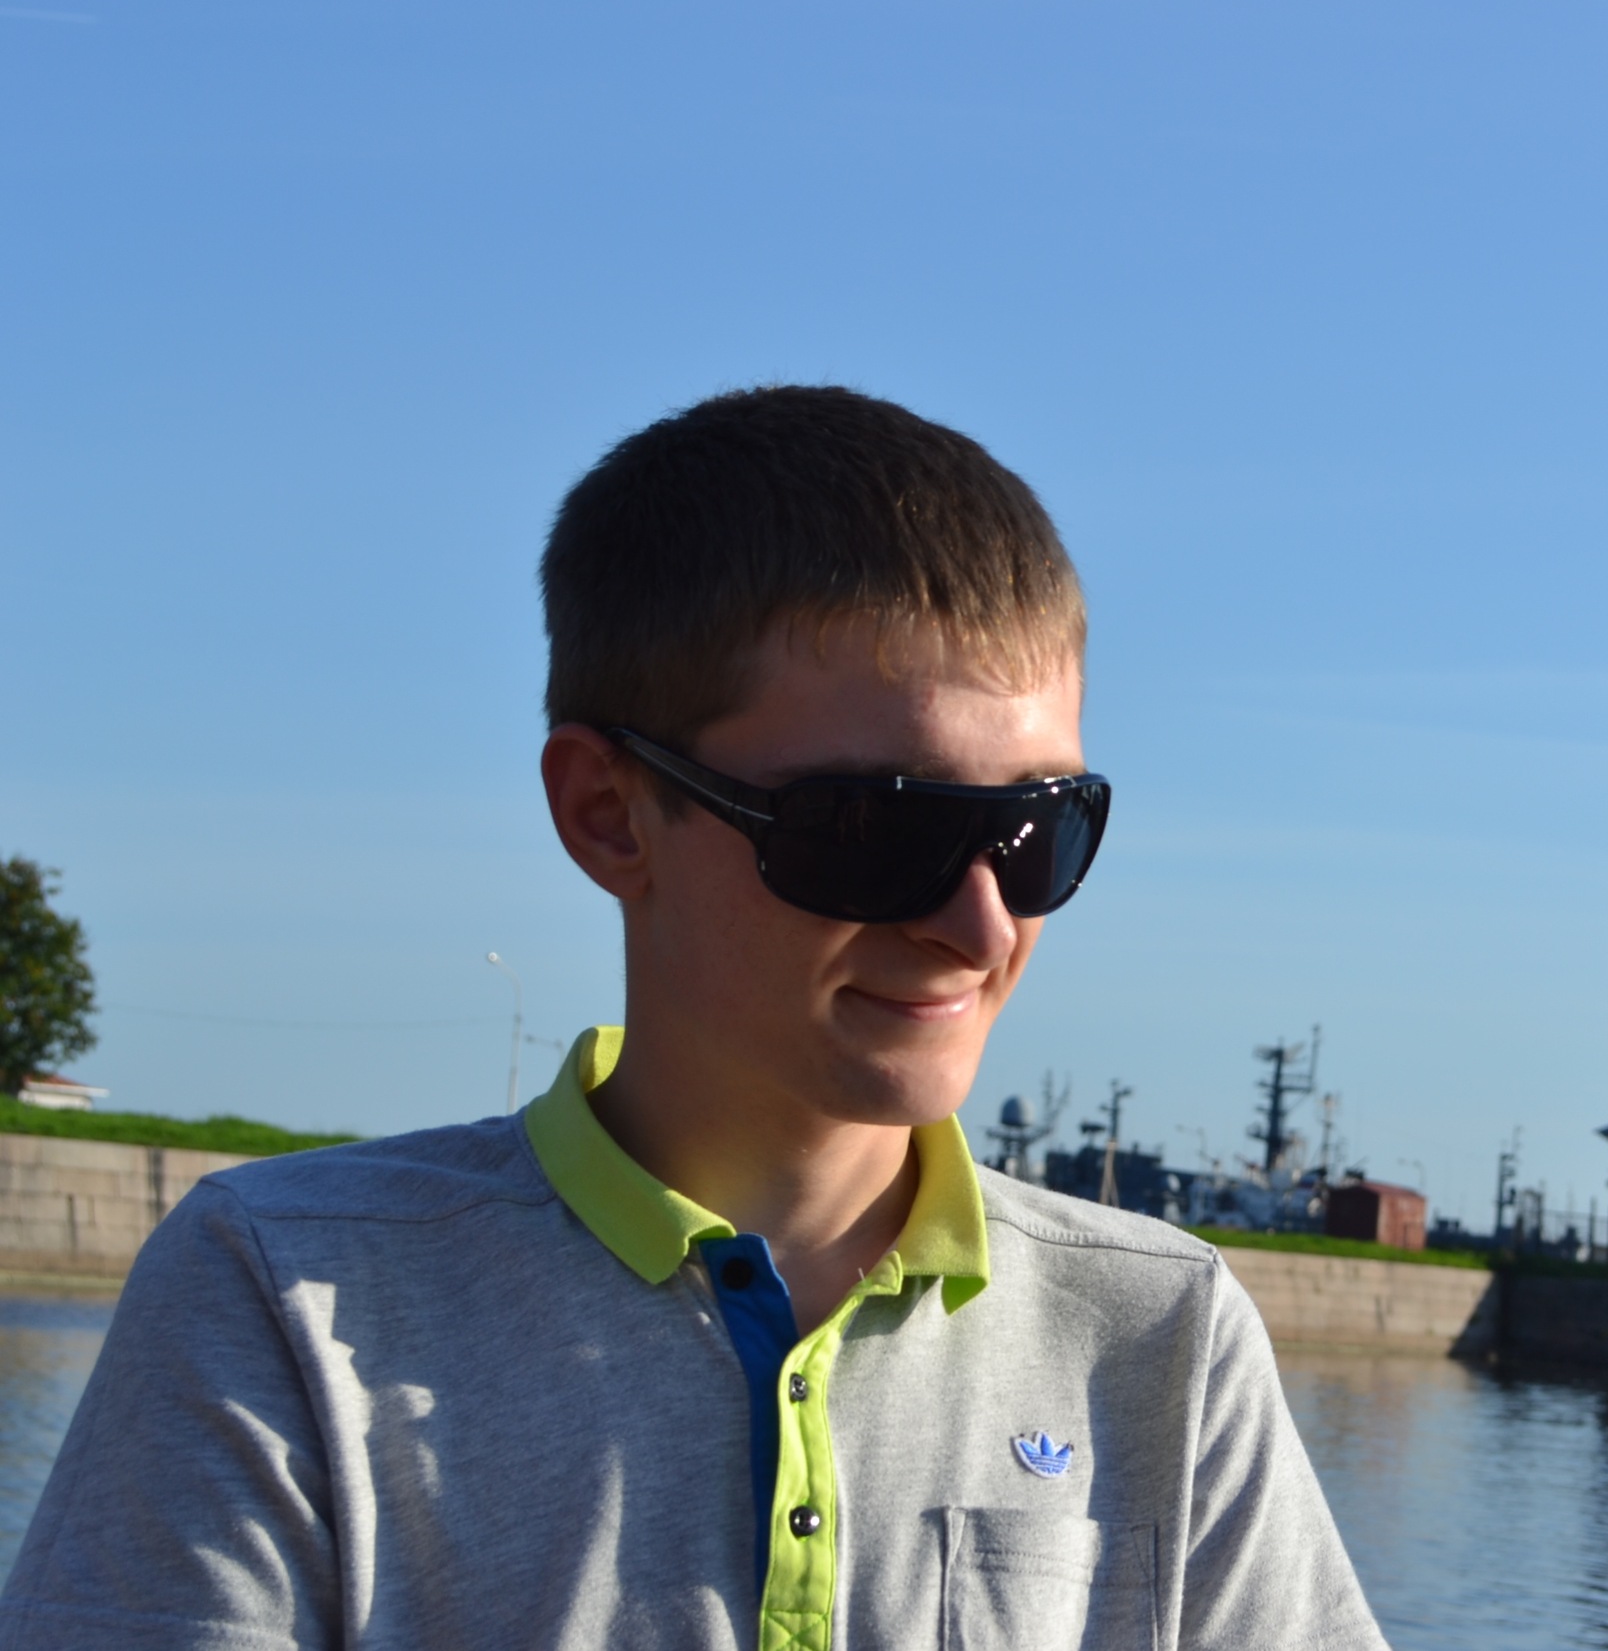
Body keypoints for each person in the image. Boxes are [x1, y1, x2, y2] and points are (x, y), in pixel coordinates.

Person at [0, 387, 1389, 1650]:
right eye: (873, 830)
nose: (979, 928)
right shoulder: (280, 1297)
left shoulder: (1161, 1336)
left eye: (1039, 830)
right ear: (609, 814)